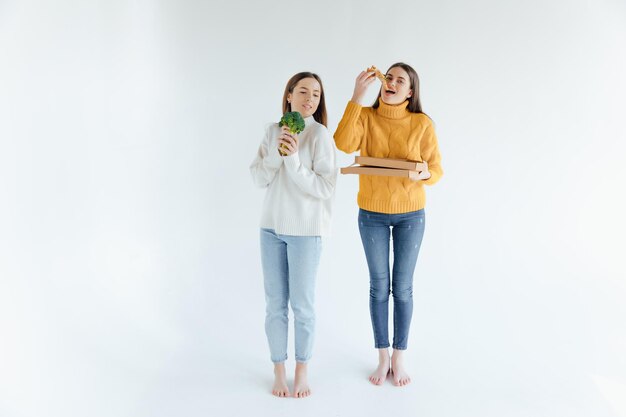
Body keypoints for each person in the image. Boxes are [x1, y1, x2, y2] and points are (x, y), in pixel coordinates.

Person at [334, 62, 443, 387]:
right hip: (371, 213)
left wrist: (423, 173)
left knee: (403, 287)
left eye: (400, 80)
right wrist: (357, 96)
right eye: (389, 77)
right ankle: (382, 357)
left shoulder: (421, 123)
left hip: (411, 214)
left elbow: (436, 170)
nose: (391, 83)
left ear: (410, 92)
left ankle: (399, 356)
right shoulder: (366, 117)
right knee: (379, 286)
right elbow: (342, 143)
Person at [250, 72, 337, 398]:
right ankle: (278, 369)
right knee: (275, 304)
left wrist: (294, 161)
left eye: (315, 94)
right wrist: (277, 154)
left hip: (305, 232)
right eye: (303, 92)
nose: (309, 99)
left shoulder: (320, 135)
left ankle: (301, 370)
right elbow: (258, 178)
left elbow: (325, 188)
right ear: (288, 95)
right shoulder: (273, 131)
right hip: (271, 228)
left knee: (302, 305)